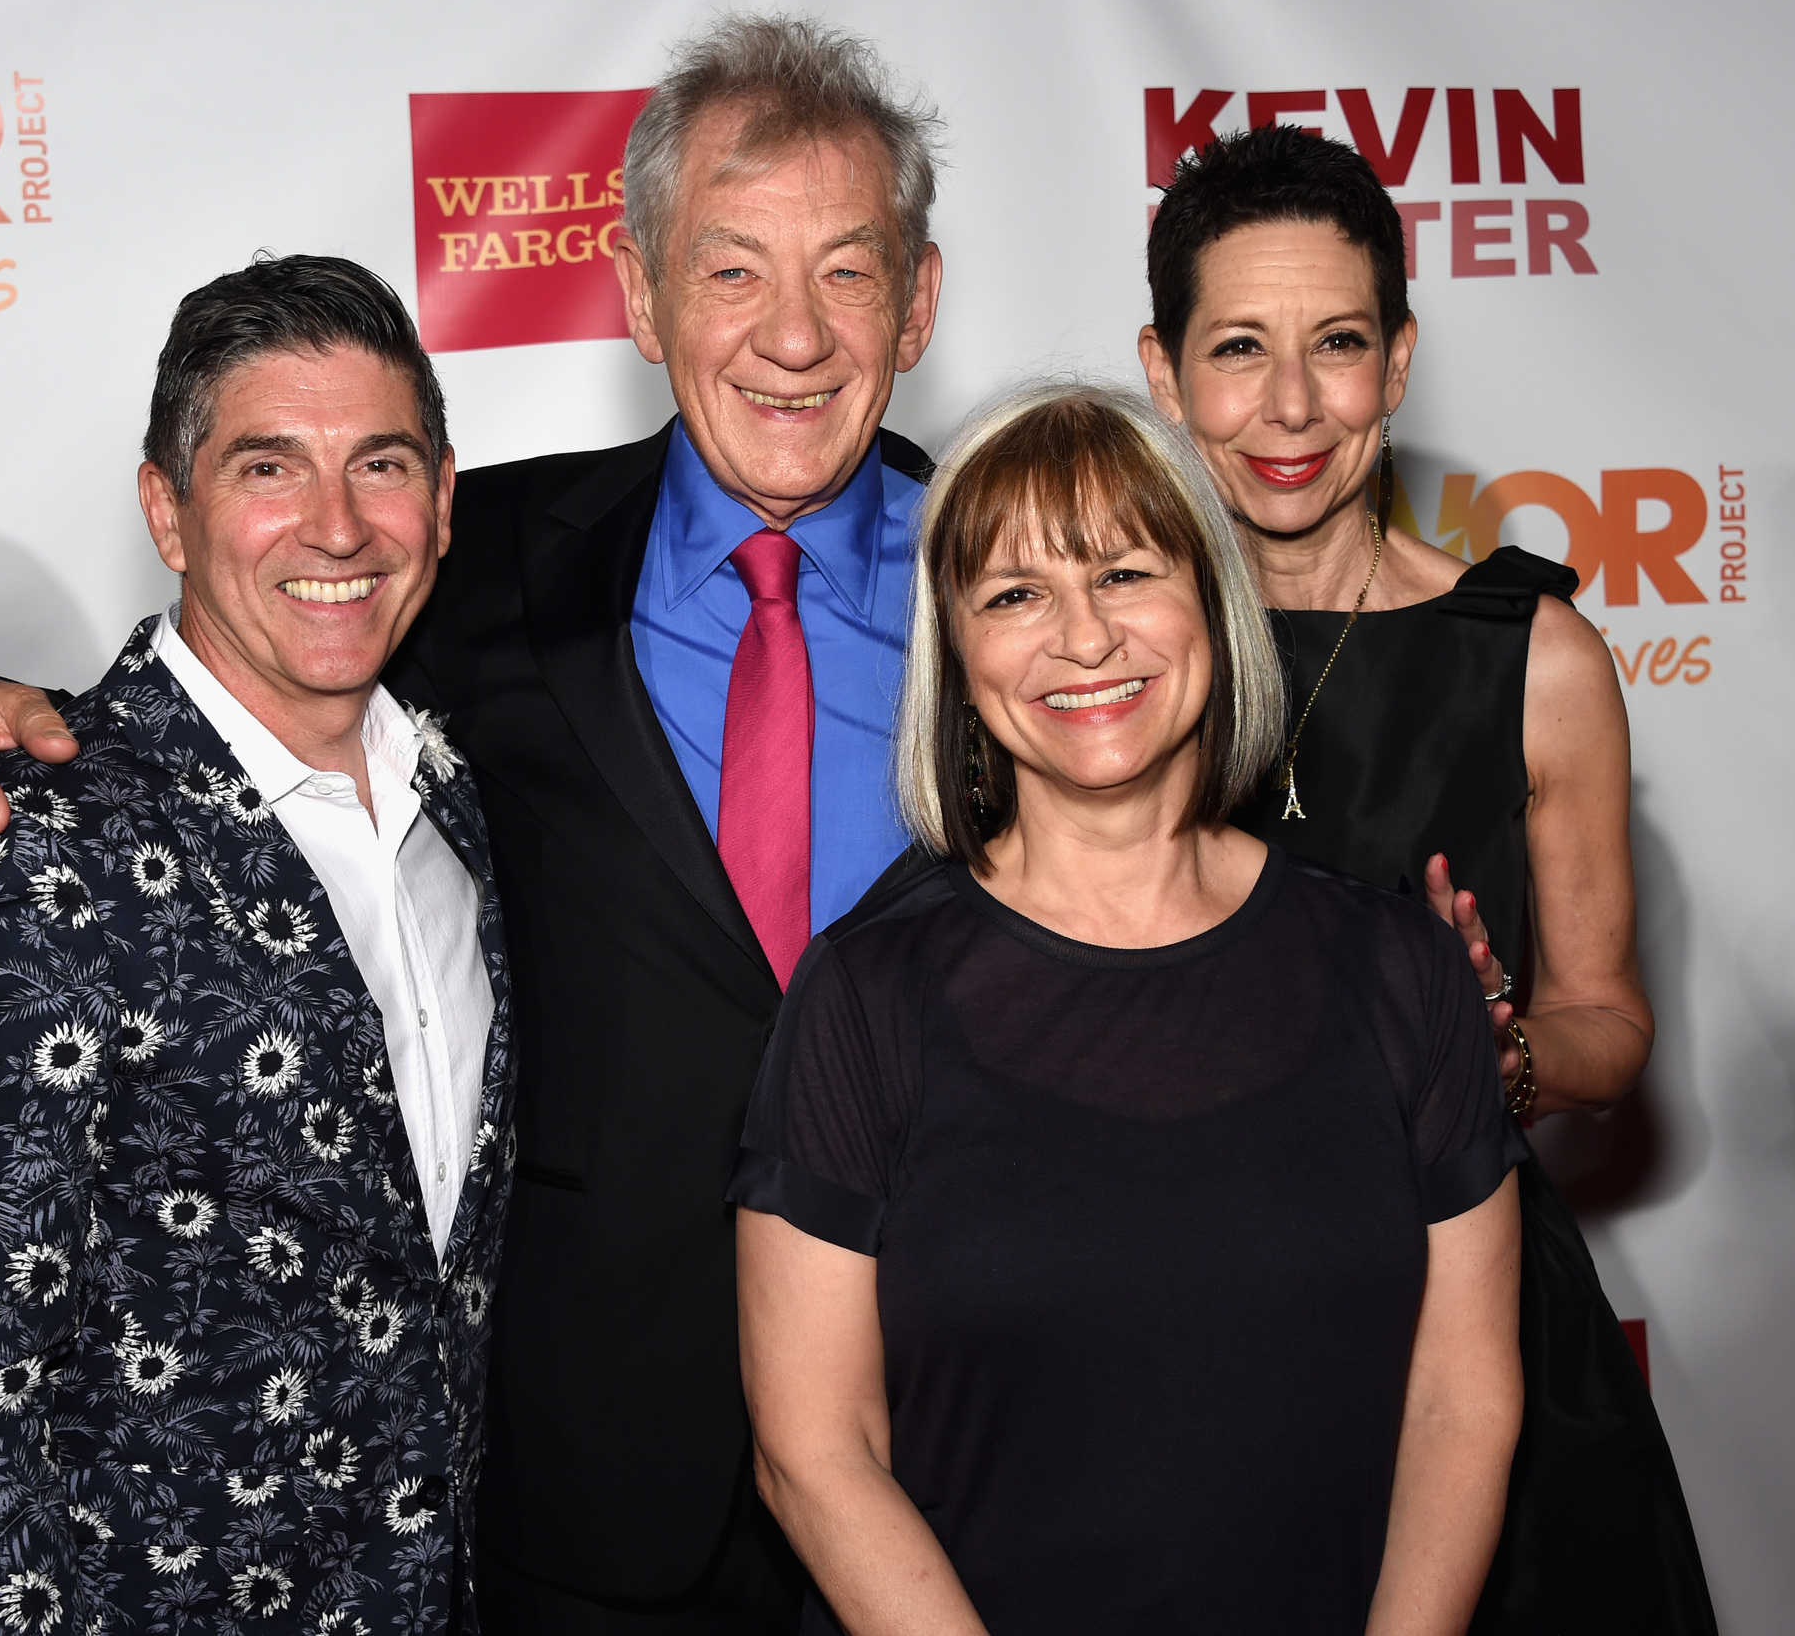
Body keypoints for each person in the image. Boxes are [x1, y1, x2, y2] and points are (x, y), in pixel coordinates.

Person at [0, 14, 944, 1635]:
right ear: (638, 295)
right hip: (573, 1492)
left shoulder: (1027, 586)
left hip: (944, 1424)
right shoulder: (474, 556)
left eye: (846, 271)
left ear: (918, 301)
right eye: (730, 270)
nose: (789, 335)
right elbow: (253, 646)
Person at [730, 383, 1525, 1633]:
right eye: (1013, 594)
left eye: (1124, 572)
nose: (1083, 639)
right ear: (957, 658)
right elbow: (814, 1453)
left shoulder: (1400, 972)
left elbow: (1459, 1398)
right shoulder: (861, 997)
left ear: (1210, 601)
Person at [0, 256, 513, 1636]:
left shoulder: (456, 800)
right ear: (169, 507)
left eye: (381, 463)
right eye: (269, 467)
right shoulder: (16, 854)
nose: (337, 526)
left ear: (443, 501)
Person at [1137, 126, 1717, 1633]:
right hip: (1190, 1327)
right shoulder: (1098, 663)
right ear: (1164, 368)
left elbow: (1612, 1026)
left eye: (1336, 344)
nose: (1287, 406)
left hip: (1482, 1330)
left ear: (1399, 363)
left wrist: (1495, 1051)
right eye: (1237, 348)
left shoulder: (1534, 659)